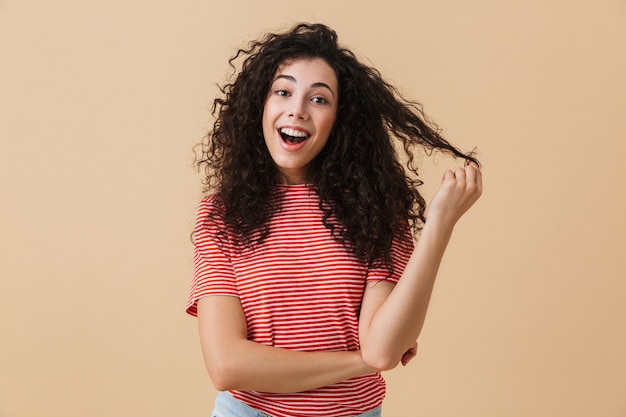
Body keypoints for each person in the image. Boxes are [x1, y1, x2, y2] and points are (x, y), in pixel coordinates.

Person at [186, 23, 482, 417]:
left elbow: (382, 347)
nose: (297, 109)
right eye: (283, 91)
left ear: (340, 120)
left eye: (319, 100)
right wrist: (361, 363)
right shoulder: (220, 215)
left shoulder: (376, 213)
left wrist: (438, 228)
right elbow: (226, 366)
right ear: (261, 104)